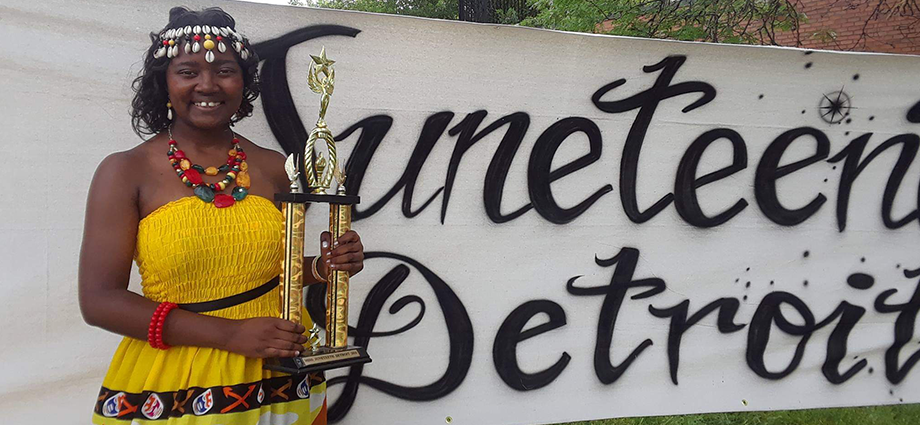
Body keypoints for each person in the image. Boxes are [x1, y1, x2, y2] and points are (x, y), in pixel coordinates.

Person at [78, 7, 364, 424]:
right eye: (188, 71)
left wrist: (324, 267)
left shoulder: (273, 167)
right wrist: (230, 336)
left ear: (244, 82)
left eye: (225, 70)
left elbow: (259, 270)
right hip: (179, 382)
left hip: (277, 372)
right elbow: (100, 301)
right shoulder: (124, 171)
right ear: (164, 82)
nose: (207, 85)